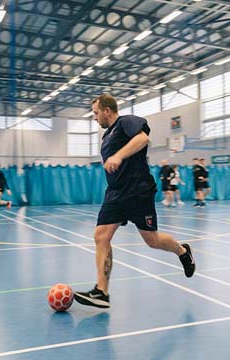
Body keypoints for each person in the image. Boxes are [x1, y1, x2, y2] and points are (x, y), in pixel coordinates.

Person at [74, 94, 196, 309]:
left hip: (137, 191)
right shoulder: (106, 136)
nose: (94, 117)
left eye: (95, 112)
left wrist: (118, 156)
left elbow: (143, 139)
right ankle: (101, 292)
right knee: (100, 235)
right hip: (115, 193)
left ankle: (182, 251)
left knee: (152, 240)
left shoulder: (126, 122)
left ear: (107, 110)